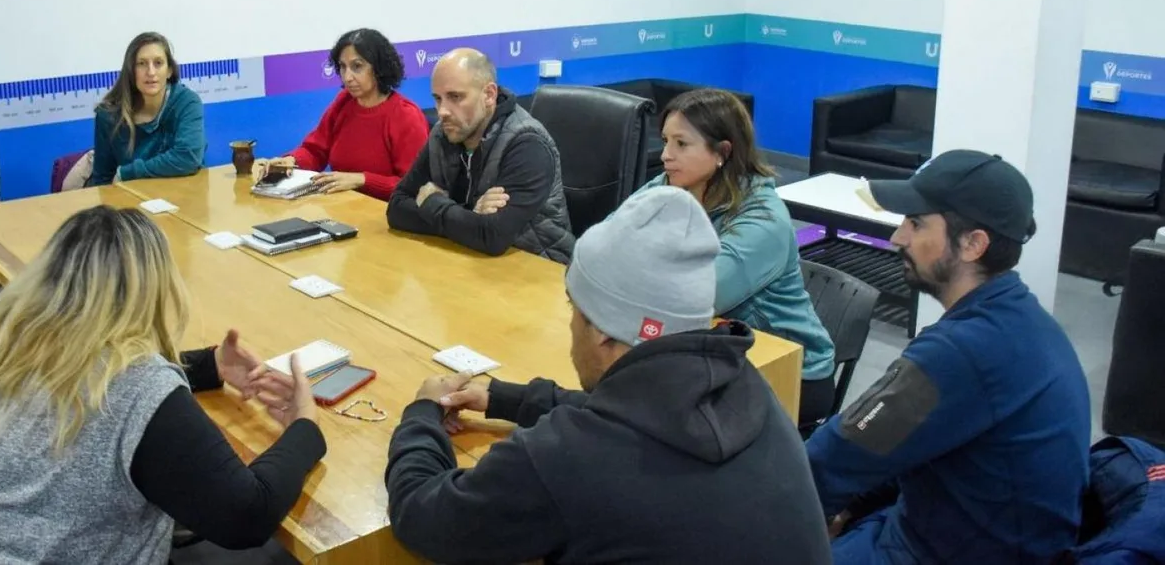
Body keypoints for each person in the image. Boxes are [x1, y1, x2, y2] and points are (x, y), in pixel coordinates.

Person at [385, 187, 832, 564]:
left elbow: (423, 517)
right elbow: (641, 417)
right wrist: (507, 399)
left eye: (574, 309)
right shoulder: (748, 387)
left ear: (601, 331)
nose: (571, 325)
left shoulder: (568, 457)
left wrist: (423, 414)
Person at [0, 206, 326, 563]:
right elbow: (247, 516)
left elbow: (66, 373)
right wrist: (305, 427)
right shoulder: (135, 386)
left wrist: (206, 366)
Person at [807, 150, 1091, 564]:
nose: (897, 237)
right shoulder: (1020, 320)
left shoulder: (963, 351)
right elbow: (882, 447)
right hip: (953, 527)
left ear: (974, 244)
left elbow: (828, 463)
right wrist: (852, 503)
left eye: (916, 222)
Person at [633, 87, 835, 426]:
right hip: (709, 350)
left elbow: (700, 296)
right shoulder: (667, 186)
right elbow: (602, 246)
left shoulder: (763, 217)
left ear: (722, 152)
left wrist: (637, 266)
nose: (666, 155)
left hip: (785, 368)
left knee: (646, 414)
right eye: (666, 140)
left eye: (681, 144)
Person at [386, 48, 573, 263]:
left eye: (455, 97)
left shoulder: (527, 143)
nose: (442, 111)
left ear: (489, 95)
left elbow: (492, 237)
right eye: (438, 99)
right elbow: (397, 208)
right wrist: (469, 217)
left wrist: (432, 203)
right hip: (469, 260)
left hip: (538, 270)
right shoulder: (443, 133)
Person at [251, 28, 428, 200]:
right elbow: (316, 151)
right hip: (343, 206)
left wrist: (361, 180)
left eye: (357, 67)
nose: (347, 77)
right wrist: (291, 162)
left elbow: (414, 187)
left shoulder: (405, 115)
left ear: (379, 68)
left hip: (387, 217)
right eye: (343, 67)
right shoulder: (344, 102)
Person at [88, 31, 207, 186]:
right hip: (131, 202)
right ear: (131, 71)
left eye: (158, 63)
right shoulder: (109, 115)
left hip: (184, 198)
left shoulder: (187, 103)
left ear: (169, 70)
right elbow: (103, 180)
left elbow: (188, 157)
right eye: (141, 63)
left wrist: (127, 172)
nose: (151, 72)